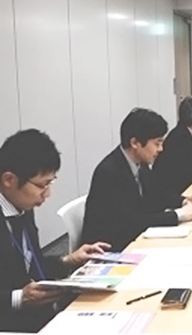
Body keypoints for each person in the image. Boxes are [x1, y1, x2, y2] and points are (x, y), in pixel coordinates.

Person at [0, 130, 110, 332]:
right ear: (9, 180)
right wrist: (18, 297)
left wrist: (68, 260)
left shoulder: (22, 207)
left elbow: (27, 263)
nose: (47, 194)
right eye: (42, 185)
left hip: (42, 313)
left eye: (50, 183)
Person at [82, 109, 192, 252]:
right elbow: (130, 222)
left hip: (133, 238)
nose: (161, 149)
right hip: (110, 248)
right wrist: (178, 215)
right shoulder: (109, 173)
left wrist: (182, 201)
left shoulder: (140, 163)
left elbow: (156, 193)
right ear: (135, 143)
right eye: (157, 143)